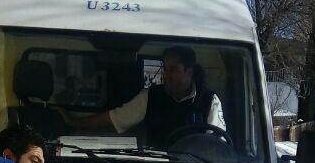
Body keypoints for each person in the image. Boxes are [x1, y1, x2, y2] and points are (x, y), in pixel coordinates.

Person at [72, 45, 226, 149]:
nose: (166, 75)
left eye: (173, 70)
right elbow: (116, 118)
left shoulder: (209, 101)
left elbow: (216, 145)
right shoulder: (151, 95)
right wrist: (75, 123)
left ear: (189, 72)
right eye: (164, 68)